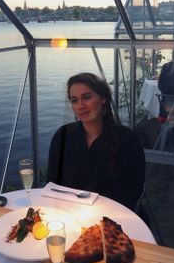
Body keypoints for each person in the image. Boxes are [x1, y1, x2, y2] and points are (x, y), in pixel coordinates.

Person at [47, 73, 145, 212]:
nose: (81, 106)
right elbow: (52, 184)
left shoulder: (127, 140)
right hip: (70, 215)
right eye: (74, 100)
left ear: (103, 98)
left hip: (114, 220)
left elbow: (134, 190)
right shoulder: (63, 136)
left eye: (87, 97)